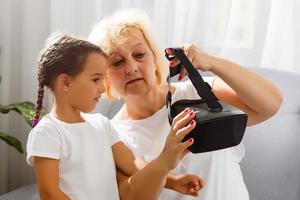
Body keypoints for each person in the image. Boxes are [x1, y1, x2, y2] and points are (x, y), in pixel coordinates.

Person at [88, 9, 283, 200]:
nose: (131, 68)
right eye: (117, 62)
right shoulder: (112, 134)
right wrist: (164, 162)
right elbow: (129, 196)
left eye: (139, 55)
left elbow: (271, 103)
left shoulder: (200, 93)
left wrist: (211, 62)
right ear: (104, 76)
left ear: (155, 59)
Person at [26, 34, 204, 200]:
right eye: (95, 80)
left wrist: (173, 181)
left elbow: (131, 162)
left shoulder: (101, 124)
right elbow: (50, 193)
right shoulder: (48, 132)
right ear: (66, 82)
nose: (103, 89)